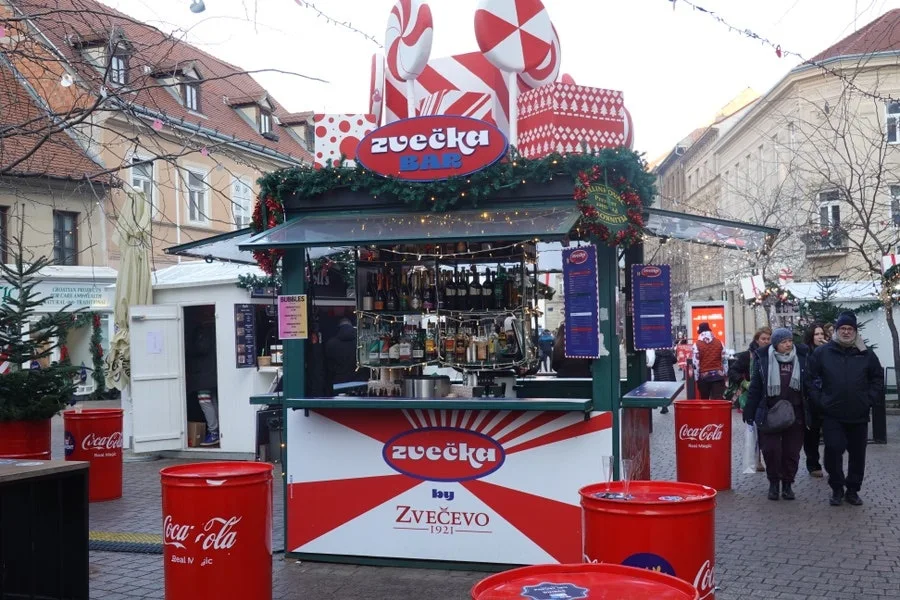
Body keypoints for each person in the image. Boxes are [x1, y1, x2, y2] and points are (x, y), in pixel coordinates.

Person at [805, 311, 883, 506]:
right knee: (833, 450)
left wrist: (869, 399)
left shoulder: (866, 354)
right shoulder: (823, 353)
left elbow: (877, 378)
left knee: (858, 455)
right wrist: (820, 401)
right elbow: (810, 379)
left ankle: (853, 490)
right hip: (832, 414)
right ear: (836, 330)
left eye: (850, 329)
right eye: (843, 328)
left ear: (855, 331)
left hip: (858, 414)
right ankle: (837, 488)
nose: (846, 332)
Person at [744, 328, 809, 501]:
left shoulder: (801, 357)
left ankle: (787, 484)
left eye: (790, 341)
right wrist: (750, 410)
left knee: (791, 451)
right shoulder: (763, 358)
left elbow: (809, 384)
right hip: (769, 412)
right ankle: (774, 483)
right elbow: (756, 387)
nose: (788, 344)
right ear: (775, 344)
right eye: (783, 342)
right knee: (770, 450)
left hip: (795, 412)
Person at [802, 322, 828, 477]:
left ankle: (831, 463)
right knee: (812, 435)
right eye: (816, 334)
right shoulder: (806, 353)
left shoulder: (829, 351)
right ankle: (813, 464)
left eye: (821, 334)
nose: (819, 337)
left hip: (828, 398)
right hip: (811, 399)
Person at [726, 326, 772, 411]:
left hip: (769, 396)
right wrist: (743, 382)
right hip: (751, 396)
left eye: (768, 339)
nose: (766, 341)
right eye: (763, 339)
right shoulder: (747, 355)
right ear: (757, 340)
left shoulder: (774, 355)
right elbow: (732, 371)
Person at [325, 318, 367, 394]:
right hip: (358, 384)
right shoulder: (361, 343)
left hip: (338, 384)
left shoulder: (331, 343)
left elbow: (329, 367)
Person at [692, 322, 727, 399]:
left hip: (704, 377)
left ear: (700, 332)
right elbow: (724, 360)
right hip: (718, 376)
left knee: (705, 400)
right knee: (718, 400)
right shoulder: (720, 342)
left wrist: (696, 378)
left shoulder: (696, 345)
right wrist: (725, 373)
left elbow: (695, 364)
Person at [647, 346, 677, 413]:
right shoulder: (669, 352)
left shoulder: (656, 353)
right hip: (669, 374)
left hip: (659, 374)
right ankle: (664, 406)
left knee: (660, 391)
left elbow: (653, 365)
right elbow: (675, 360)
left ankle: (659, 405)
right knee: (666, 391)